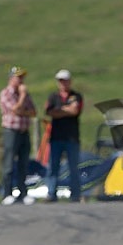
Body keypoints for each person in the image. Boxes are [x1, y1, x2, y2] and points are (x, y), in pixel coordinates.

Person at [0, 66, 37, 205]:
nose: (21, 81)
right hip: (11, 131)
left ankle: (23, 193)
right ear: (11, 78)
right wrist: (22, 97)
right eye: (18, 78)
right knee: (9, 164)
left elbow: (33, 112)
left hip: (24, 130)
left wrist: (23, 108)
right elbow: (15, 110)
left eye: (22, 78)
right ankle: (7, 193)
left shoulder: (26, 94)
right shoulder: (6, 93)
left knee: (24, 163)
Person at [44, 69, 83, 203]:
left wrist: (61, 110)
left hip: (72, 137)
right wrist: (66, 109)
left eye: (65, 81)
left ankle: (75, 195)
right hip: (56, 137)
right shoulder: (53, 97)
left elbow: (75, 110)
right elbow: (51, 112)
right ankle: (51, 193)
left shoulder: (76, 96)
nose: (63, 83)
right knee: (53, 167)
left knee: (73, 167)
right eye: (61, 81)